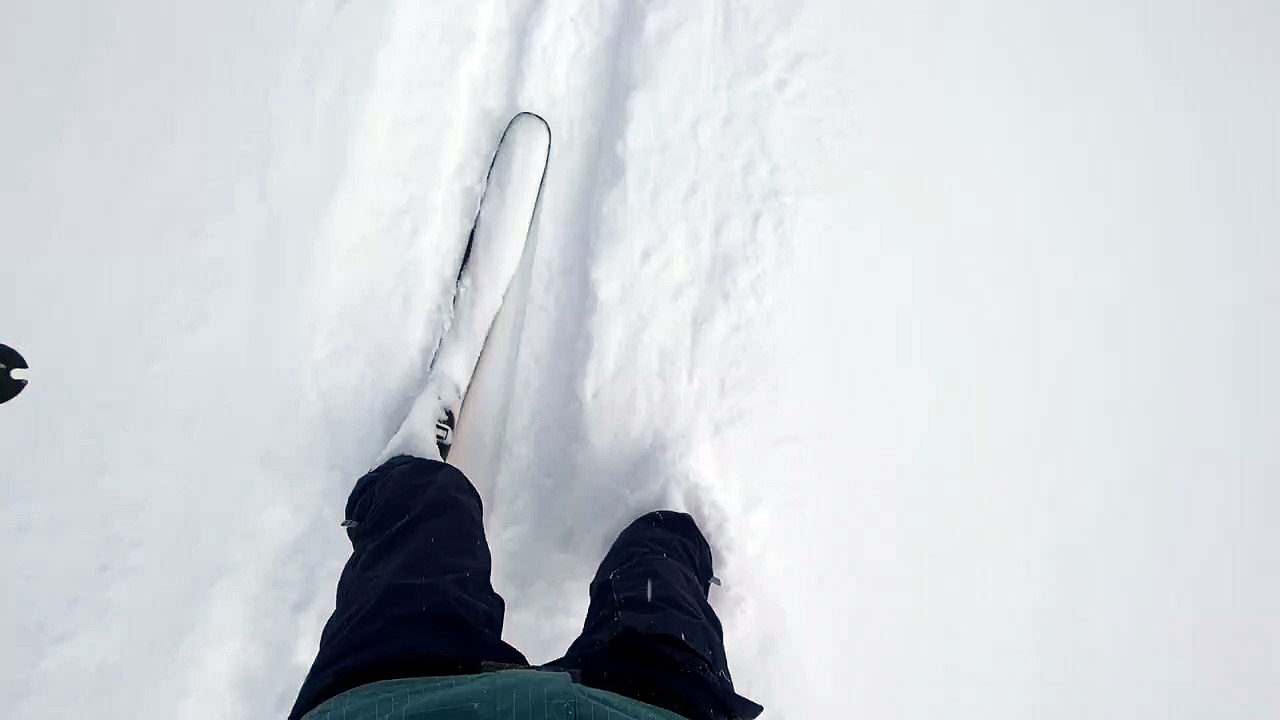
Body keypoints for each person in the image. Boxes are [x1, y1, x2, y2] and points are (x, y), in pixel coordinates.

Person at [287, 406, 764, 720]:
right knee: (661, 566)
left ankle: (406, 479)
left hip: (395, 698)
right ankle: (672, 529)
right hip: (651, 705)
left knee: (423, 522)